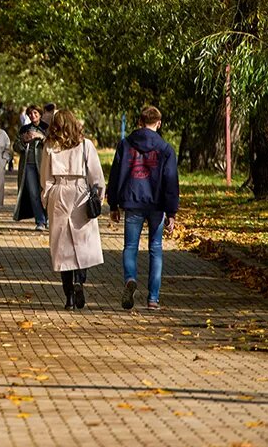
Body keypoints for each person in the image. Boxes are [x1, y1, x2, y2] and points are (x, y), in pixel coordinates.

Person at [107, 105, 180, 311]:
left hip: (132, 201)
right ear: (158, 123)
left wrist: (114, 204)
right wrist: (172, 212)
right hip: (156, 205)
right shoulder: (166, 149)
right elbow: (171, 181)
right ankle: (153, 299)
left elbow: (115, 175)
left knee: (130, 247)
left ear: (139, 122)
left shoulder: (126, 144)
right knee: (155, 249)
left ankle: (130, 278)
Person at [40, 109, 105, 310]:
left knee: (63, 248)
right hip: (80, 193)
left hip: (59, 191)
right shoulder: (85, 145)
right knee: (82, 243)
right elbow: (96, 176)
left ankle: (68, 295)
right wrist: (98, 199)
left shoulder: (50, 146)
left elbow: (45, 177)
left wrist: (47, 198)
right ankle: (80, 280)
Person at [13, 105, 48, 230]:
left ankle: (48, 218)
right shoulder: (24, 129)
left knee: (45, 191)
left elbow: (53, 145)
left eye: (35, 113)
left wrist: (41, 137)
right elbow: (15, 146)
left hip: (45, 165)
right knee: (33, 193)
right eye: (30, 114)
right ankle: (40, 221)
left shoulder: (47, 128)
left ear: (40, 113)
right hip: (28, 165)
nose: (33, 115)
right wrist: (24, 141)